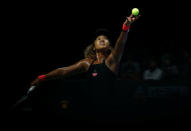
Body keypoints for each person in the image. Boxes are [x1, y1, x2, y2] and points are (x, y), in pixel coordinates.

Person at [31, 14, 140, 86]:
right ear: (93, 46)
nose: (102, 40)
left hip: (110, 108)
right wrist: (42, 78)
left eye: (105, 39)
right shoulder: (87, 63)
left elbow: (120, 44)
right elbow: (63, 71)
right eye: (99, 39)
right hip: (91, 107)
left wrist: (125, 27)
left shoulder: (112, 60)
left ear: (109, 46)